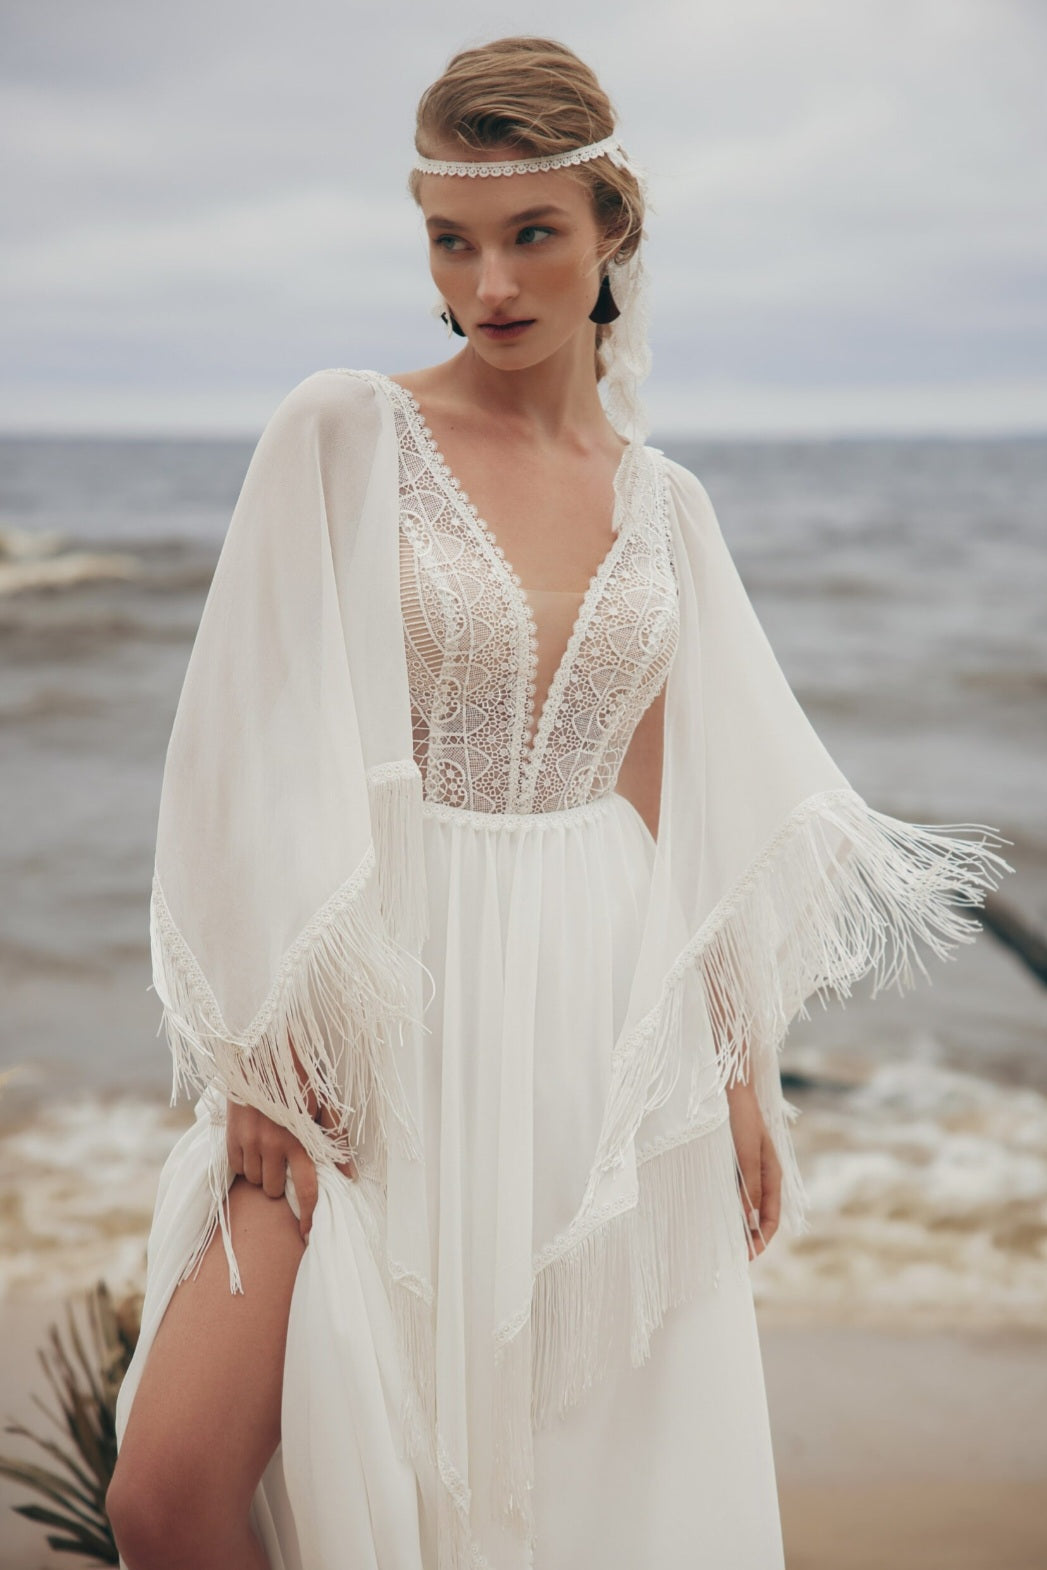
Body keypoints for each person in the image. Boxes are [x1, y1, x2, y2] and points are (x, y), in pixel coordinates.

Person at [105, 35, 1012, 1570]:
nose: (494, 284)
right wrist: (255, 1042)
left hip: (594, 1027)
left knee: (545, 1493)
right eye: (454, 243)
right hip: (366, 1013)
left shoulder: (668, 508)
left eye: (534, 234)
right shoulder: (341, 433)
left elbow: (689, 800)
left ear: (612, 231)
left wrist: (737, 1071)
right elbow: (237, 748)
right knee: (170, 1489)